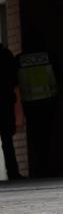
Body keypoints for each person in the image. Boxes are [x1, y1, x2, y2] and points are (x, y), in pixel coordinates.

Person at [17, 34, 58, 178]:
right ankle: (48, 165)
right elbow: (58, 75)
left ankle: (40, 166)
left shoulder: (20, 60)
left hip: (31, 103)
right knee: (48, 134)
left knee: (35, 136)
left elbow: (14, 80)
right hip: (48, 101)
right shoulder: (48, 56)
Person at [0, 42, 20, 180]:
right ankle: (12, 172)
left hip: (5, 100)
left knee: (7, 140)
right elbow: (14, 77)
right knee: (7, 140)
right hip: (5, 101)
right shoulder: (5, 55)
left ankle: (13, 172)